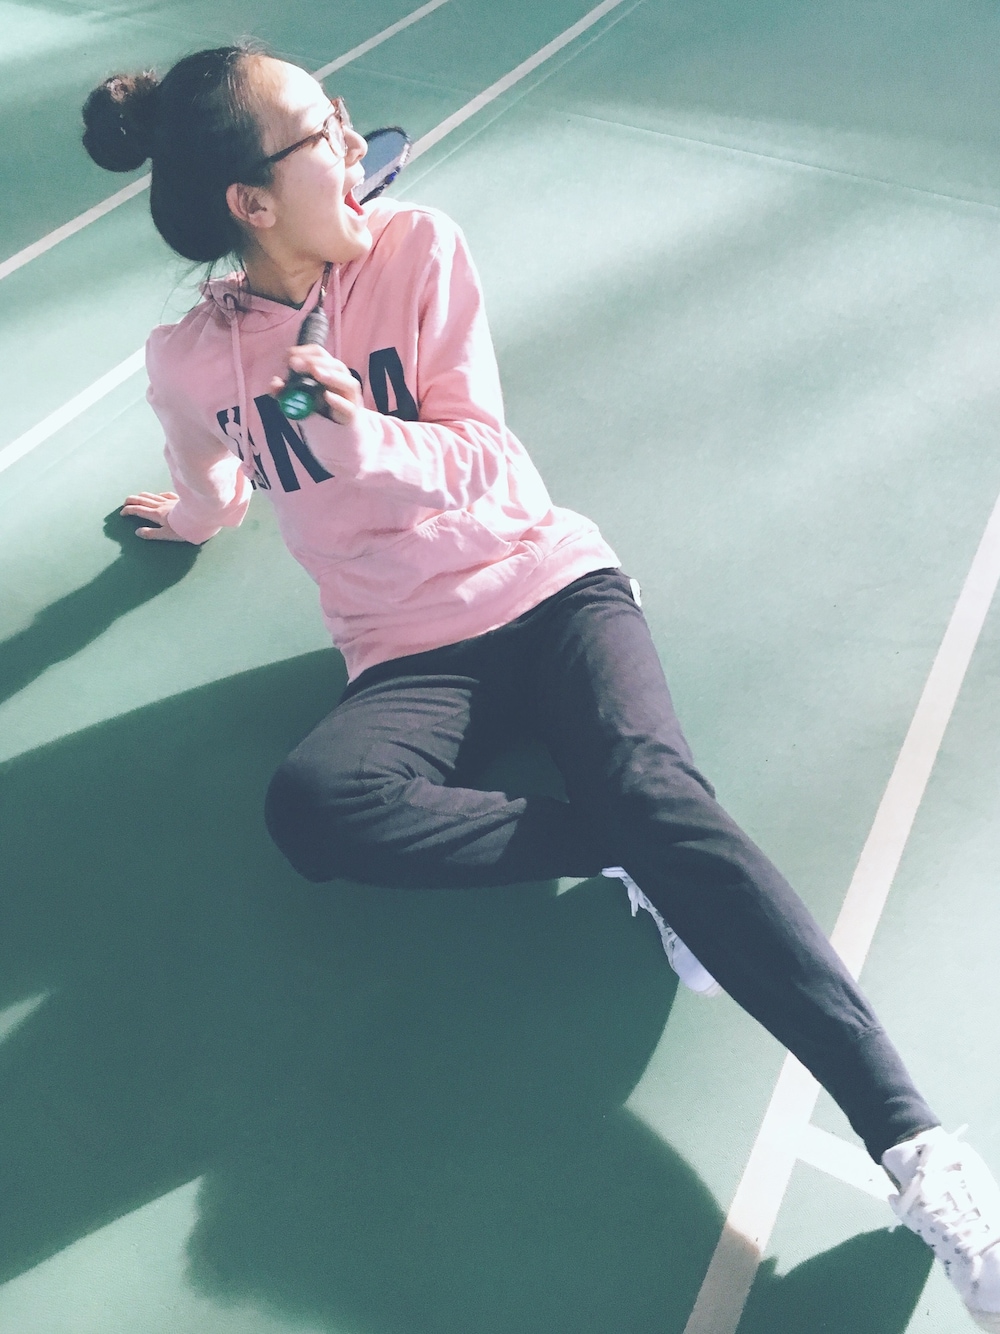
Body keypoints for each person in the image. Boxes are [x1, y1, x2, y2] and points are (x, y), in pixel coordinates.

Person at [82, 43, 1000, 1328]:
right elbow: (214, 471)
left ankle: (920, 1152)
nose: (350, 136)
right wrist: (189, 517)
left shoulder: (419, 250)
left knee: (656, 787)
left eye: (340, 115)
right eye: (319, 129)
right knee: (315, 808)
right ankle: (633, 851)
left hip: (550, 586)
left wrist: (365, 440)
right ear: (251, 200)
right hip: (405, 652)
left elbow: (489, 460)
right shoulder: (193, 359)